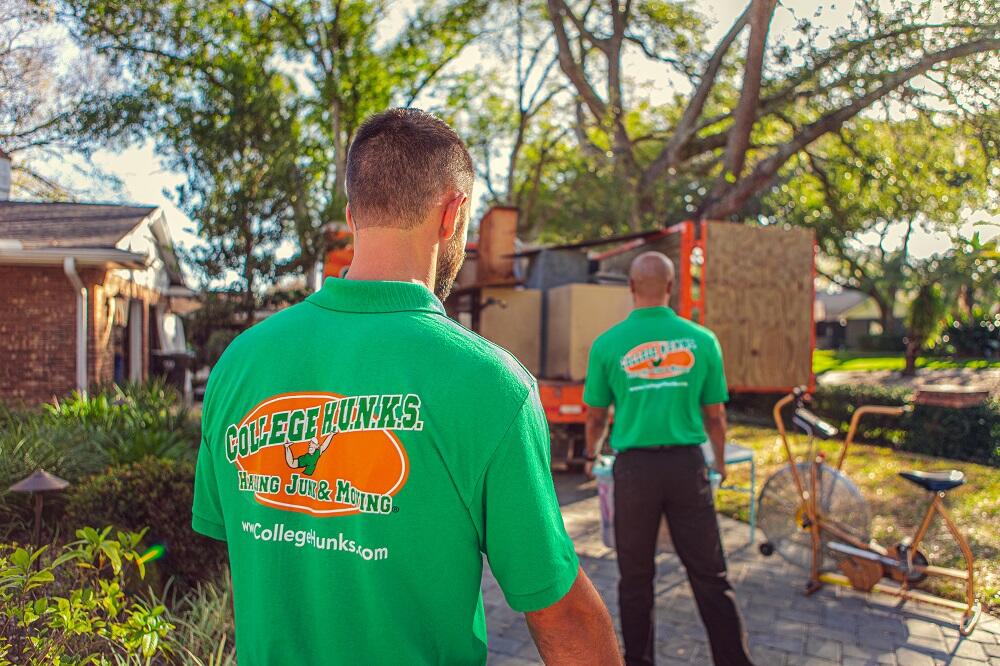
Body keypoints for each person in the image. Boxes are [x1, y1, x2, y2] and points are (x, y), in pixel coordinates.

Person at [192, 108, 620, 666]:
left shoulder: (239, 363)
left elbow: (244, 539)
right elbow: (558, 611)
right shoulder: (490, 385)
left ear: (353, 215)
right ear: (452, 215)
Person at [582, 251, 754, 666]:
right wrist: (719, 461)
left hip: (634, 472)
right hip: (686, 467)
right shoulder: (702, 340)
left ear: (631, 287)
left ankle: (639, 661)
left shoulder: (607, 344)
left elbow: (595, 416)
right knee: (710, 574)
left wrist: (592, 453)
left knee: (635, 578)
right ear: (672, 287)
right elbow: (715, 415)